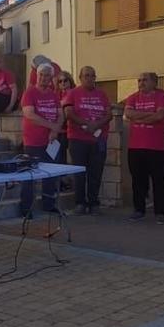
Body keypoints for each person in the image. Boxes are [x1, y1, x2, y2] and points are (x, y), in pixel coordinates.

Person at [122, 71, 164, 222]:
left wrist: (138, 117)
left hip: (156, 146)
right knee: (137, 180)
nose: (141, 83)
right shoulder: (132, 97)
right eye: (139, 80)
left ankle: (160, 212)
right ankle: (139, 209)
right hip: (135, 146)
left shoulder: (162, 96)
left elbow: (160, 116)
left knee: (158, 180)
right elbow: (128, 113)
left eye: (144, 80)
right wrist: (149, 116)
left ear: (154, 82)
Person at [18, 58, 65, 220]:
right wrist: (52, 127)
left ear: (51, 78)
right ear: (37, 76)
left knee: (51, 174)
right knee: (30, 176)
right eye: (41, 75)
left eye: (47, 76)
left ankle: (49, 204)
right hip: (33, 141)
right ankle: (25, 207)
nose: (44, 78)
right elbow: (29, 114)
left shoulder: (53, 95)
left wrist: (56, 129)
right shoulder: (29, 92)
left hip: (51, 141)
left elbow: (61, 115)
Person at [64, 66, 111, 215]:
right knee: (79, 173)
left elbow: (109, 115)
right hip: (78, 139)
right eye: (86, 76)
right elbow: (68, 113)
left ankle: (94, 203)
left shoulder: (102, 94)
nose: (89, 78)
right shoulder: (73, 93)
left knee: (96, 173)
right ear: (80, 78)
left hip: (98, 140)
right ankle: (80, 203)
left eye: (92, 76)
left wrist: (96, 125)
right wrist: (85, 124)